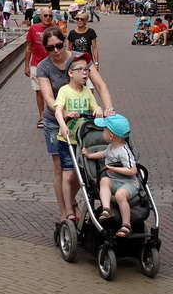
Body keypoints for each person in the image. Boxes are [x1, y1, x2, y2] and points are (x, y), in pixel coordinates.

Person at [37, 28, 115, 223]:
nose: (55, 51)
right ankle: (65, 211)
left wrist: (108, 109)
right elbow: (48, 97)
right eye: (49, 48)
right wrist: (61, 113)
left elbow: (100, 86)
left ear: (64, 42)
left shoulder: (80, 60)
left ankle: (71, 201)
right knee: (61, 169)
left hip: (81, 122)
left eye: (58, 45)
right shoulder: (44, 66)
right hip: (56, 122)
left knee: (80, 167)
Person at [53, 57, 103, 200]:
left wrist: (98, 109)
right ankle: (69, 210)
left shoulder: (87, 92)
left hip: (83, 141)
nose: (85, 73)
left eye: (86, 70)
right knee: (67, 175)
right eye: (80, 70)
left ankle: (73, 201)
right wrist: (63, 123)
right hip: (67, 140)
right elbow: (58, 110)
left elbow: (95, 106)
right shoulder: (64, 91)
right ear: (70, 73)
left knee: (80, 175)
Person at [82, 114, 139, 237]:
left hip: (129, 184)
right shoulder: (111, 147)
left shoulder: (124, 152)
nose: (102, 133)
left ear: (111, 136)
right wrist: (89, 155)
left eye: (103, 130)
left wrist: (115, 169)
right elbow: (104, 154)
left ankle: (126, 224)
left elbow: (133, 171)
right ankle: (106, 209)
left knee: (120, 195)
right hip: (115, 181)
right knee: (104, 181)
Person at [24, 8, 53, 128]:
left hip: (52, 65)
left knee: (52, 92)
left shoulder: (54, 29)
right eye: (45, 15)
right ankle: (42, 117)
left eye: (50, 16)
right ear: (40, 16)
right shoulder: (33, 28)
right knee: (39, 92)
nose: (47, 18)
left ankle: (52, 114)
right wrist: (26, 65)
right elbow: (28, 48)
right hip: (36, 64)